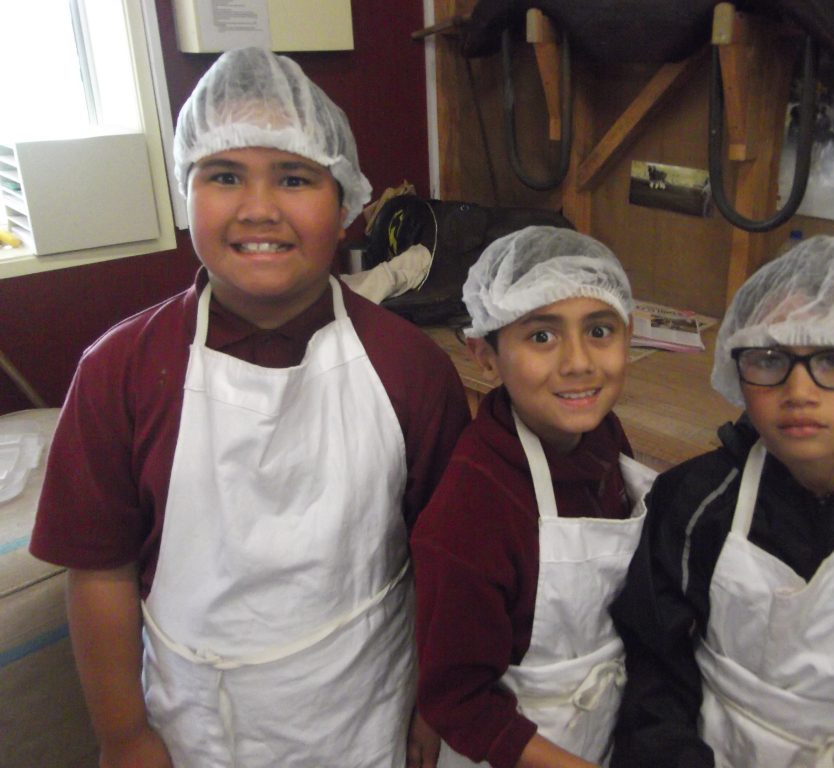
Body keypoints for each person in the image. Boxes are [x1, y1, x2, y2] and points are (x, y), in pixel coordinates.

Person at [29, 47, 470, 768]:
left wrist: (435, 700)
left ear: (346, 202)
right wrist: (123, 735)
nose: (259, 208)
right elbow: (100, 573)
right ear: (185, 192)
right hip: (195, 732)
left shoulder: (411, 370)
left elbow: (446, 559)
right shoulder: (119, 373)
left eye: (295, 177)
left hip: (367, 719)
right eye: (224, 175)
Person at [610, 235, 834, 768]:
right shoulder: (692, 503)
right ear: (738, 375)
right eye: (770, 359)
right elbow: (656, 676)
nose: (800, 391)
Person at [411, 226, 658, 768]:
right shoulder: (472, 513)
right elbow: (458, 701)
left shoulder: (601, 436)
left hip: (601, 725)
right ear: (486, 356)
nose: (578, 363)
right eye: (542, 336)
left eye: (599, 330)